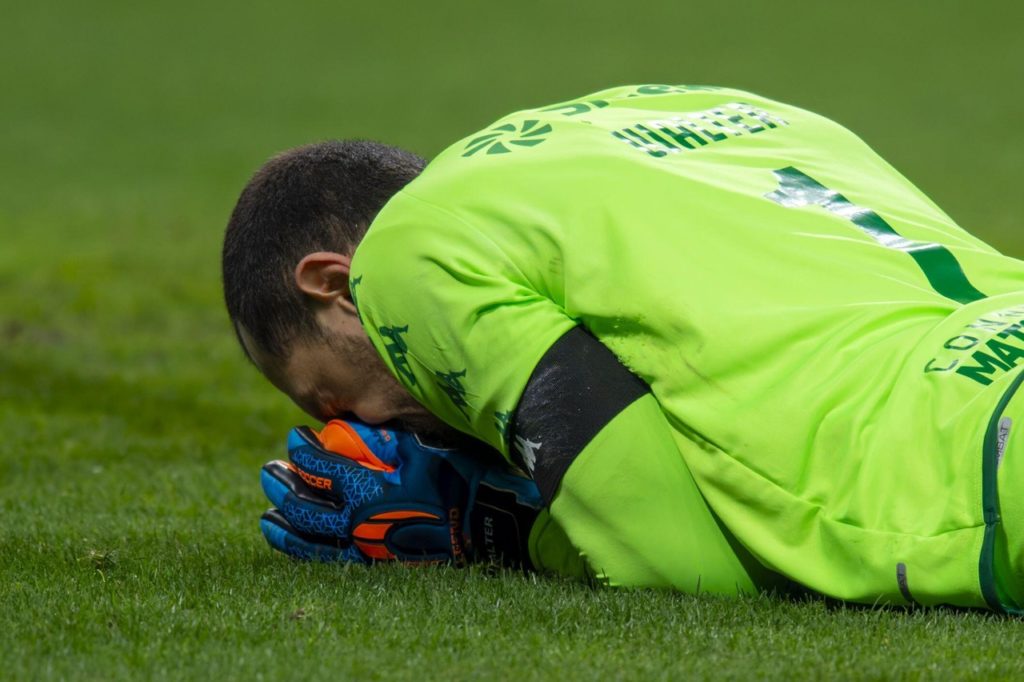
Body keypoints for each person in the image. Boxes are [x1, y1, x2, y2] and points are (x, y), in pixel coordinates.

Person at [222, 84, 1024, 613]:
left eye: (327, 399)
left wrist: (499, 528)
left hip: (970, 449)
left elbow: (684, 564)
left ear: (334, 284)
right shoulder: (693, 108)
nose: (366, 429)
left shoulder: (401, 258)